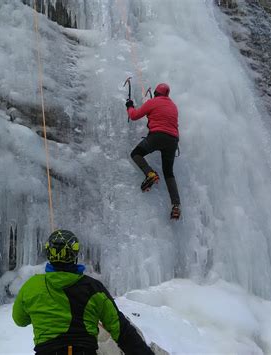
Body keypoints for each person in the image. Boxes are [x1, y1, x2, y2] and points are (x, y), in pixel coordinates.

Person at [12, 229, 154, 355]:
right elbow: (121, 330)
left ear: (49, 254)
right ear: (75, 254)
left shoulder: (31, 286)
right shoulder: (93, 288)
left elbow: (20, 320)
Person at [126, 83, 181, 220]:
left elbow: (134, 115)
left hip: (157, 136)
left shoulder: (153, 102)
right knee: (168, 172)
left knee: (136, 154)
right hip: (173, 140)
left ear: (156, 93)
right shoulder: (173, 106)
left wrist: (129, 106)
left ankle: (150, 174)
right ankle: (176, 205)